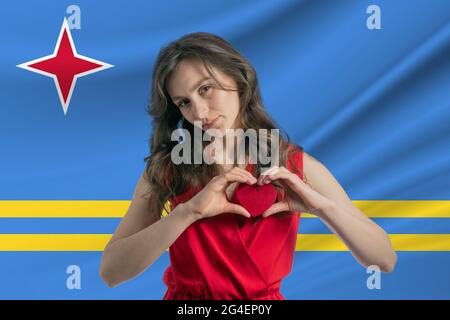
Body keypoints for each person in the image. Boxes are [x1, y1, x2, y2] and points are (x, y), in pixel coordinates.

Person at [99, 32, 397, 299]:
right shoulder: (170, 168)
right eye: (184, 102)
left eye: (205, 89)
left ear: (239, 78)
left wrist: (323, 209)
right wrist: (187, 213)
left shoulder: (293, 165)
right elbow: (111, 272)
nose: (199, 112)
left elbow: (384, 259)